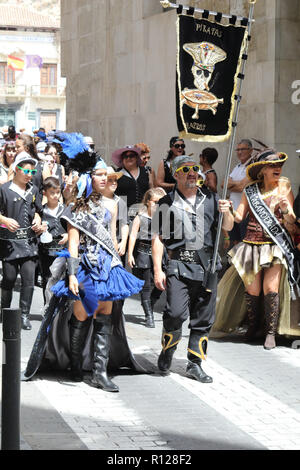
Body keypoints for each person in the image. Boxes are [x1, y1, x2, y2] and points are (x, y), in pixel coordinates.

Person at [22, 133, 146, 392]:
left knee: (105, 316)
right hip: (86, 268)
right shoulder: (78, 208)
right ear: (91, 178)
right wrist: (72, 274)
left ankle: (100, 372)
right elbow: (74, 242)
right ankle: (76, 364)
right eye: (101, 175)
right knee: (83, 315)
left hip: (107, 266)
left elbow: (112, 238)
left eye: (109, 176)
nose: (105, 179)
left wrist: (118, 264)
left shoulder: (112, 207)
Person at [152, 155, 233, 383]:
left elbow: (227, 227)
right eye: (186, 169)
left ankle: (194, 363)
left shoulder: (212, 199)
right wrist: (158, 269)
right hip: (179, 265)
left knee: (203, 318)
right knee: (175, 313)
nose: (192, 172)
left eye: (195, 169)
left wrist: (227, 211)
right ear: (176, 174)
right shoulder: (165, 202)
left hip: (207, 267)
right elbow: (158, 237)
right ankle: (168, 349)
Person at [213, 149, 300, 349]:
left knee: (270, 288)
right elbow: (235, 220)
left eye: (279, 164)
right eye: (272, 165)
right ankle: (254, 325)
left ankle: (270, 332)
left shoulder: (284, 187)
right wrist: (227, 211)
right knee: (252, 289)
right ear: (262, 171)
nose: (277, 168)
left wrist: (286, 210)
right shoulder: (250, 191)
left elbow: (292, 224)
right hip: (251, 244)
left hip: (275, 246)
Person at [0, 152, 45, 329]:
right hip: (9, 244)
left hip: (29, 243)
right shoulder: (4, 190)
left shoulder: (33, 190)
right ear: (16, 170)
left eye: (32, 172)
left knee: (28, 280)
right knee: (9, 278)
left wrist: (38, 219)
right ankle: (4, 310)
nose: (29, 175)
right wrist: (4, 220)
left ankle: (24, 315)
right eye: (26, 171)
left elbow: (39, 210)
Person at [128, 187, 166, 328]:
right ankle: (149, 315)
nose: (157, 206)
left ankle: (150, 304)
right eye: (155, 202)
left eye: (160, 203)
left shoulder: (164, 218)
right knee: (146, 286)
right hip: (144, 254)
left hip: (161, 255)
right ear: (148, 202)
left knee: (161, 285)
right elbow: (132, 235)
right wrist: (130, 253)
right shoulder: (141, 217)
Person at [38, 177, 68, 303]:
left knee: (62, 278)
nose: (55, 195)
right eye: (52, 192)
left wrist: (68, 235)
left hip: (62, 251)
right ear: (45, 192)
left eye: (58, 192)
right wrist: (39, 229)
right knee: (47, 278)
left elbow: (73, 229)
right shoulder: (40, 211)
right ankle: (47, 305)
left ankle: (61, 308)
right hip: (46, 252)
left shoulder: (65, 210)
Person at [225, 139, 254, 245]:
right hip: (233, 212)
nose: (239, 152)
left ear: (251, 150)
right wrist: (237, 184)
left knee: (244, 244)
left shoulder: (252, 166)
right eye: (237, 149)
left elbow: (242, 187)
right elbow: (223, 184)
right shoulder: (237, 167)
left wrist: (232, 184)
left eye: (242, 149)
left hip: (245, 214)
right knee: (235, 242)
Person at [112, 145, 152, 221]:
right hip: (124, 215)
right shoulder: (117, 174)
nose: (128, 158)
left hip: (143, 213)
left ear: (137, 157)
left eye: (131, 156)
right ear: (122, 159)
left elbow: (152, 190)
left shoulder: (146, 171)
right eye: (125, 156)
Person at [100, 166, 129, 260]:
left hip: (115, 244)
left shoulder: (120, 202)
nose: (114, 183)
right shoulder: (95, 200)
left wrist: (124, 242)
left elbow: (124, 224)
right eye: (110, 180)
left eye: (115, 180)